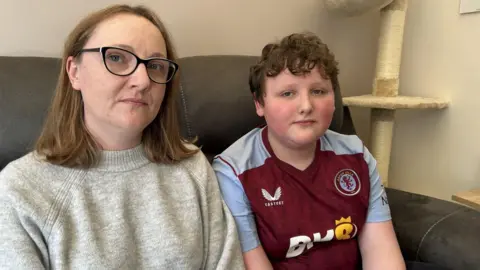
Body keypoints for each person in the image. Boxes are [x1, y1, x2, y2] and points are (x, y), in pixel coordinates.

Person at [0, 5, 244, 269]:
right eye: (116, 58)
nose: (142, 81)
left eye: (156, 65)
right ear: (74, 72)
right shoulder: (19, 190)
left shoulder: (193, 167)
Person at [212, 32, 407, 269]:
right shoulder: (233, 171)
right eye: (287, 93)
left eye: (318, 91)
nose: (306, 106)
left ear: (334, 98)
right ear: (259, 104)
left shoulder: (357, 155)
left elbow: (381, 252)